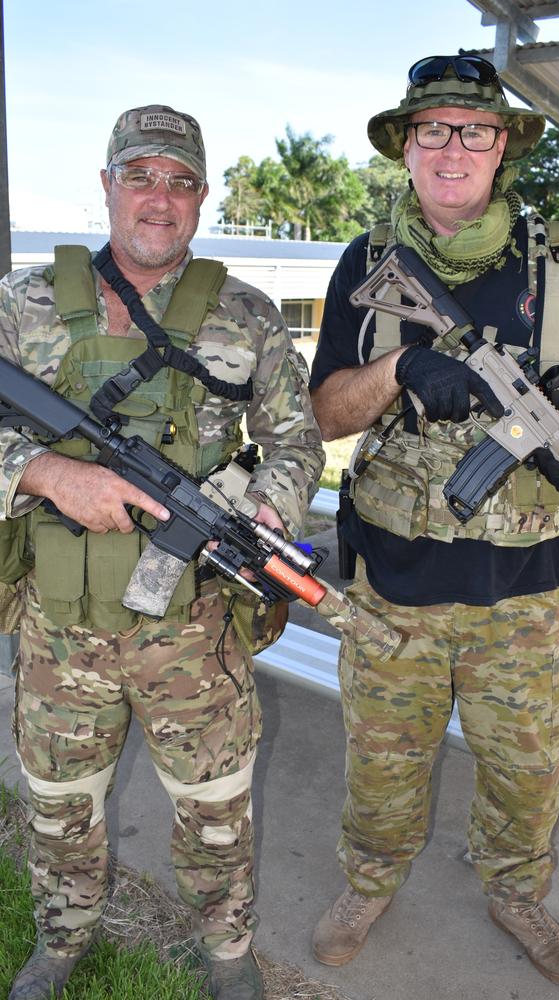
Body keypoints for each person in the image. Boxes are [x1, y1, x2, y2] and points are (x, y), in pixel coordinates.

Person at [309, 55, 559, 989]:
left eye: (475, 130)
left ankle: (516, 893)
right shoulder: (364, 263)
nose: (454, 148)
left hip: (529, 596)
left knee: (526, 776)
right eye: (434, 130)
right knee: (382, 767)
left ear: (503, 148)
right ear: (407, 147)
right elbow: (327, 414)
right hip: (393, 595)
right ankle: (370, 883)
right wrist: (401, 372)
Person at [0, 104, 324, 1000]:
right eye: (141, 176)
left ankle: (227, 954)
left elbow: (299, 446)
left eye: (181, 182)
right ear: (106, 185)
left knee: (217, 811)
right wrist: (50, 478)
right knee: (59, 807)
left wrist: (257, 511)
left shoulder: (249, 315)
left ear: (202, 196)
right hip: (59, 631)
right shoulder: (24, 304)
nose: (160, 199)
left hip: (196, 631)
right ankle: (62, 939)